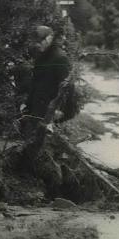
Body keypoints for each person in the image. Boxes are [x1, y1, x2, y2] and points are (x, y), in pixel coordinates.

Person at [18, 25, 73, 166]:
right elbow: (35, 85)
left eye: (40, 41)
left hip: (51, 112)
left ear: (49, 39)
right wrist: (27, 105)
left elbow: (68, 88)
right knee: (30, 146)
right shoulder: (41, 58)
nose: (37, 44)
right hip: (36, 110)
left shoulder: (60, 58)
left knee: (48, 152)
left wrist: (61, 110)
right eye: (35, 41)